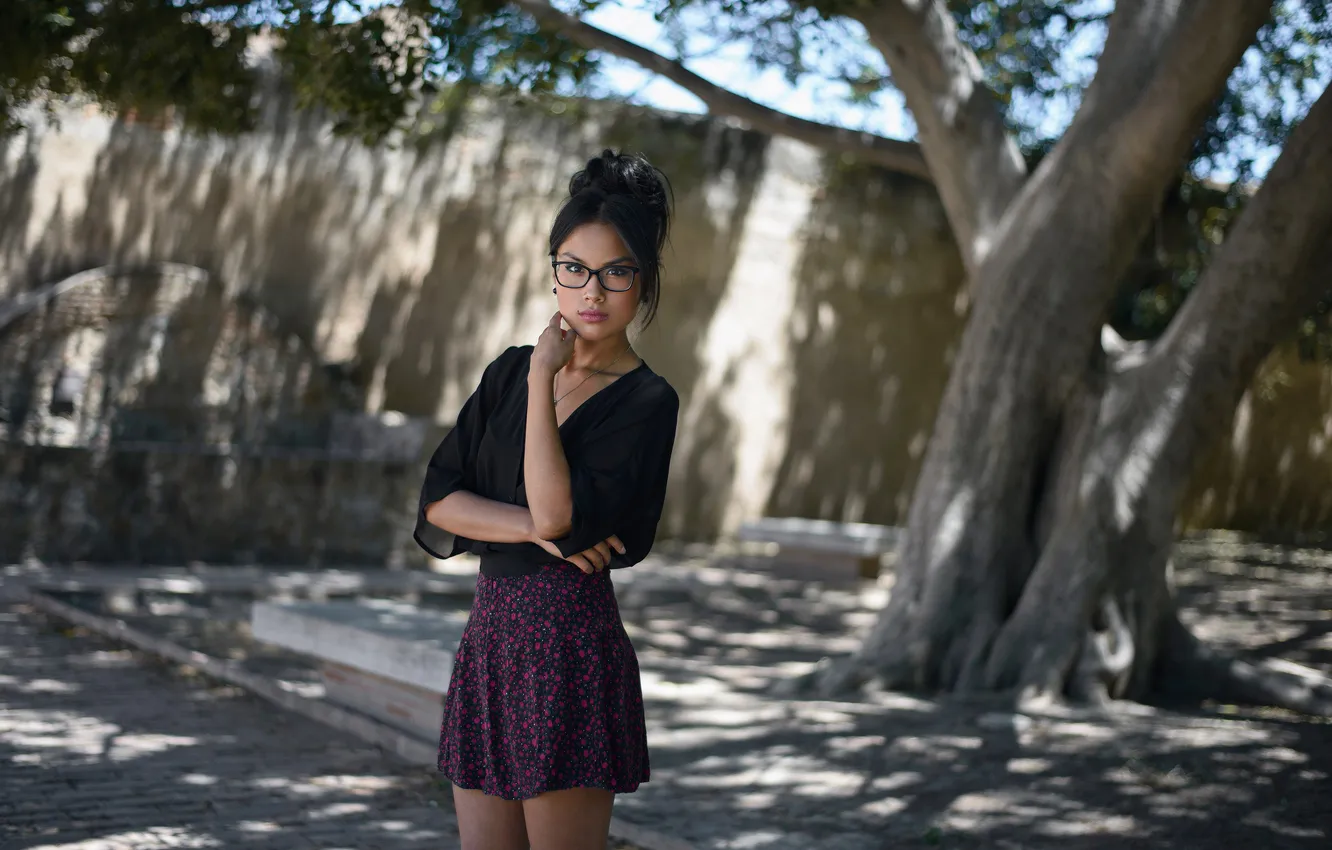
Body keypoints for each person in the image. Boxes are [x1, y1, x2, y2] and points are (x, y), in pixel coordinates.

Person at [413, 148, 680, 850]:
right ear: (555, 271)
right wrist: (535, 533)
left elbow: (558, 512)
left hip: (569, 652)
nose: (592, 292)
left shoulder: (646, 401)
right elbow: (440, 500)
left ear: (644, 280)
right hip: (491, 640)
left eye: (616, 272)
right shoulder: (507, 370)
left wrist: (543, 382)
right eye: (574, 269)